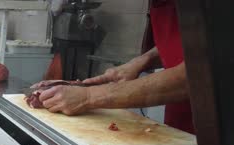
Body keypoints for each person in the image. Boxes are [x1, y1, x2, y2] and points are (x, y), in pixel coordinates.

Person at [35, 0, 194, 134]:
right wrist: (143, 60)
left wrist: (88, 96)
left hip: (212, 134)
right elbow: (188, 44)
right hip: (181, 123)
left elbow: (198, 76)